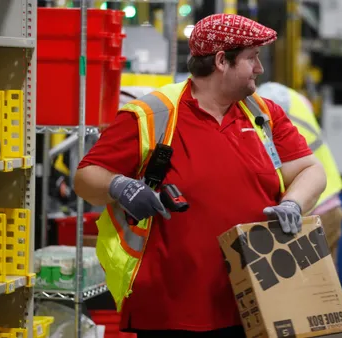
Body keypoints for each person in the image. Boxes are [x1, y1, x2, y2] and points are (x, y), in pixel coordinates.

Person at [74, 13, 326, 337]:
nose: (260, 69)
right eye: (252, 58)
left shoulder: (263, 115)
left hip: (253, 301)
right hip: (173, 309)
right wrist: (119, 185)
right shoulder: (154, 115)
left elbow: (309, 169)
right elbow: (85, 177)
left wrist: (294, 203)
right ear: (222, 61)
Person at [257, 82, 342, 262]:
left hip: (311, 207)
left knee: (307, 285)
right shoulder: (293, 97)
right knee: (326, 283)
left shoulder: (263, 102)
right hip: (330, 201)